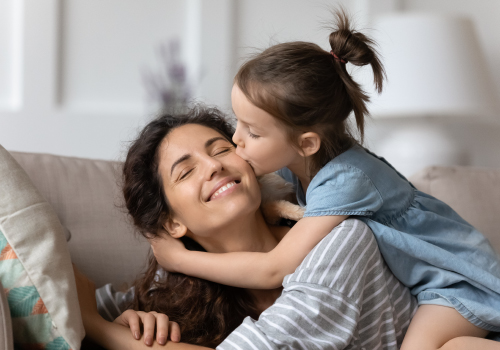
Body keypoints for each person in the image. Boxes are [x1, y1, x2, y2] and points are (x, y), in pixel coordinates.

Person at [151, 9, 500, 350]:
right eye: (237, 123)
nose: (235, 141)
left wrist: (180, 260)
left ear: (306, 143)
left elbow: (274, 269)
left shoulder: (347, 180)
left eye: (253, 133)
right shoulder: (301, 163)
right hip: (435, 283)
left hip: (459, 282)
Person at [76, 106, 417, 349]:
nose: (213, 165)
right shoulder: (177, 293)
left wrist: (102, 331)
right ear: (172, 223)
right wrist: (130, 323)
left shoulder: (339, 238)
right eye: (186, 172)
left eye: (222, 149)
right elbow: (55, 282)